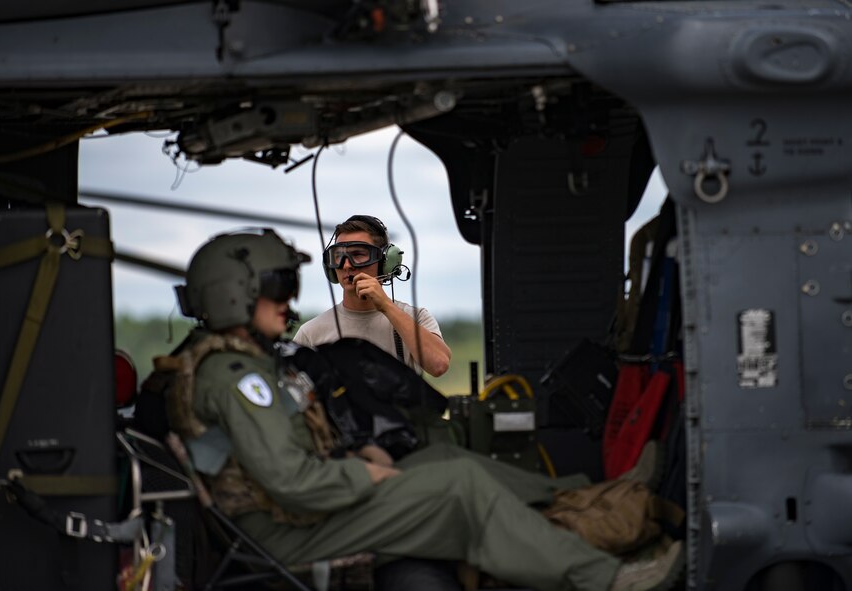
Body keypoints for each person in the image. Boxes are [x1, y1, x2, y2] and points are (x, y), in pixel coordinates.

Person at [168, 229, 684, 591]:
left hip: (302, 510)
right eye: (279, 288)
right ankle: (605, 580)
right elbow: (293, 483)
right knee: (459, 488)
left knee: (449, 462)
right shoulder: (238, 378)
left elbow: (433, 364)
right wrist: (364, 473)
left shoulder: (245, 363)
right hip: (285, 534)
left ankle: (591, 495)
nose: (289, 300)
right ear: (234, 296)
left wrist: (358, 454)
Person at [293, 215, 451, 377]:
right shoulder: (311, 333)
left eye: (358, 254)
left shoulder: (416, 317)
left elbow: (439, 365)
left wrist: (386, 306)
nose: (347, 265)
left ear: (385, 262)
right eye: (339, 256)